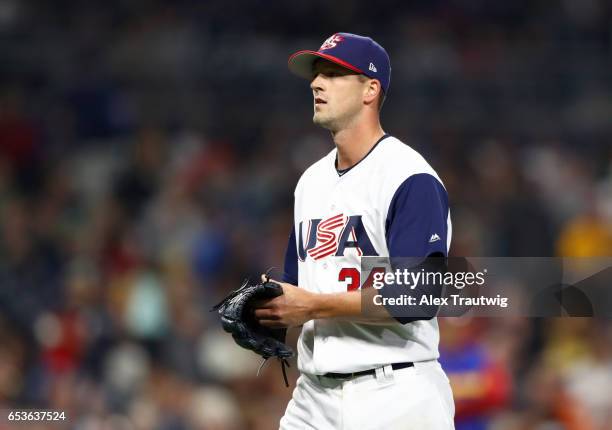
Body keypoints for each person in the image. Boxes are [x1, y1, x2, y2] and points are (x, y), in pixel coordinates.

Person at [253, 32, 455, 429]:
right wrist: (269, 309)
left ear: (371, 89)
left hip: (395, 393)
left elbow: (416, 295)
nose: (316, 83)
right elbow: (297, 286)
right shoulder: (310, 181)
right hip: (313, 396)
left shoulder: (408, 177)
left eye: (333, 73)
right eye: (316, 74)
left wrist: (310, 304)